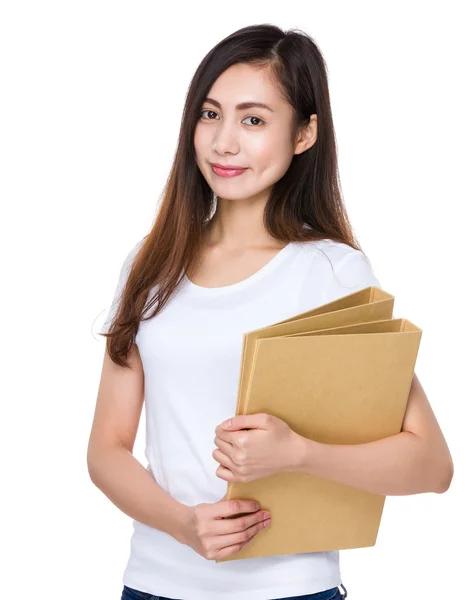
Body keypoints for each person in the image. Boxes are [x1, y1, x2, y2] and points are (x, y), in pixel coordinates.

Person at [87, 24, 454, 600]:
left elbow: (432, 465)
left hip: (290, 590)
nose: (224, 142)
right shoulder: (150, 261)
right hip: (155, 585)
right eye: (210, 115)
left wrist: (299, 454)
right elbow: (106, 448)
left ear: (305, 133)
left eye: (254, 120)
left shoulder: (330, 273)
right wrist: (183, 525)